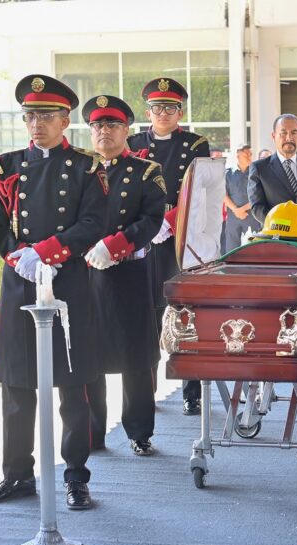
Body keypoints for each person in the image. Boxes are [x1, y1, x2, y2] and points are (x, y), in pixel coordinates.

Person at [0, 75, 108, 510]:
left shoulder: (87, 167)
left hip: (67, 282)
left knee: (73, 384)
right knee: (16, 384)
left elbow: (94, 223)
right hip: (20, 285)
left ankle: (76, 476)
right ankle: (16, 474)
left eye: (46, 116)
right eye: (30, 116)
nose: (36, 124)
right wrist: (19, 256)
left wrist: (49, 251)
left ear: (65, 119)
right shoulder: (8, 165)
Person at [81, 95, 166, 456]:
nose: (104, 132)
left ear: (127, 130)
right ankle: (92, 432)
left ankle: (139, 431)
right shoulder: (80, 171)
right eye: (98, 125)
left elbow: (151, 219)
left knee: (136, 356)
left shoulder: (146, 171)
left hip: (129, 272)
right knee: (88, 356)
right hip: (85, 275)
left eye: (112, 125)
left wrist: (116, 245)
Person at [127, 77, 210, 416]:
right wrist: (150, 222)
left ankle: (191, 390)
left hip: (179, 240)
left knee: (186, 315)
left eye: (171, 108)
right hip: (144, 244)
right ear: (148, 111)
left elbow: (200, 189)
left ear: (180, 112)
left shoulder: (195, 144)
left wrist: (170, 221)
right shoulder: (132, 142)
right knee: (145, 317)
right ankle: (146, 390)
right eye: (157, 108)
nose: (163, 113)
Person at [223, 143, 260, 252]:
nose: (249, 157)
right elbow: (223, 194)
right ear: (238, 156)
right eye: (246, 155)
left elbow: (259, 195)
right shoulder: (228, 174)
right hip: (233, 217)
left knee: (253, 248)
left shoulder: (256, 173)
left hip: (252, 216)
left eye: (250, 154)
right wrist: (236, 210)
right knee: (231, 248)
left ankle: (253, 269)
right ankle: (231, 269)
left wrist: (242, 209)